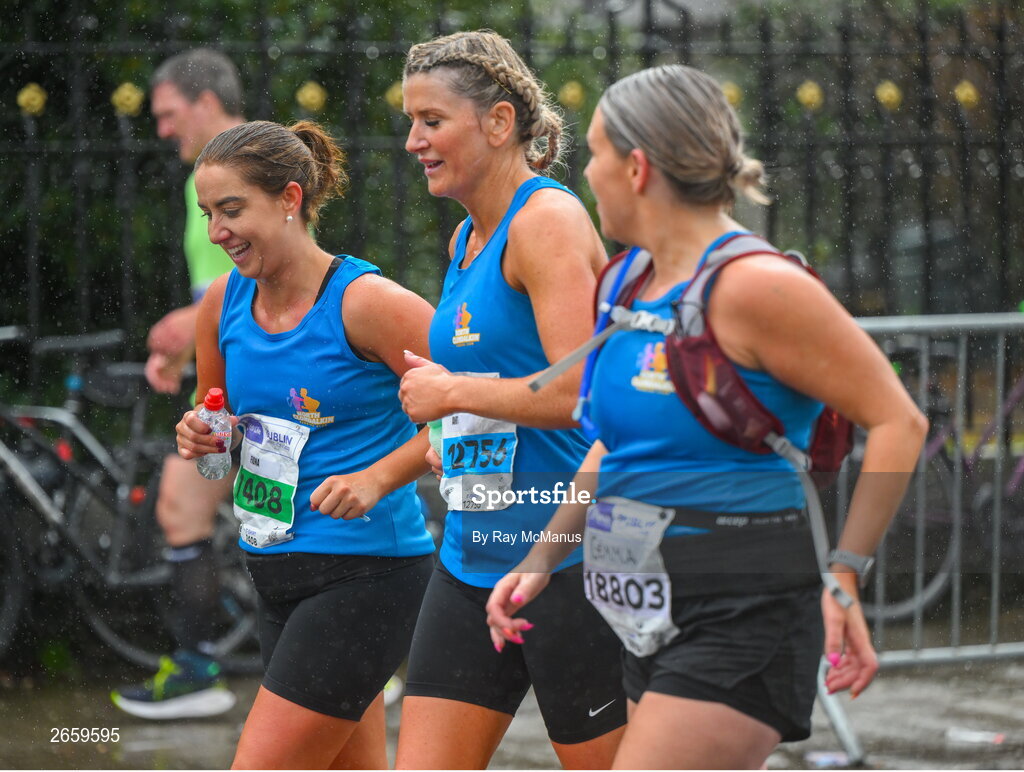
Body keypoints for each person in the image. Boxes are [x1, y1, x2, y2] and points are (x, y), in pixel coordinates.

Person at [484, 64, 929, 769]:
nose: (585, 173)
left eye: (595, 153)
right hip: (647, 608)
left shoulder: (757, 285)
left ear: (636, 167)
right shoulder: (628, 281)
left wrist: (845, 574)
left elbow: (901, 420)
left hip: (743, 607)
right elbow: (611, 448)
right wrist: (539, 561)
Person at [395, 30, 626, 769]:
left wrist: (450, 390)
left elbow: (580, 395)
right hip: (470, 561)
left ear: (498, 123)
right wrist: (451, 430)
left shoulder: (546, 222)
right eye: (411, 121)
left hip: (565, 562)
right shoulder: (467, 237)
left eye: (432, 121)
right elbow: (503, 387)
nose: (412, 140)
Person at [175, 119, 436, 768]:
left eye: (233, 210)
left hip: (367, 573)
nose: (217, 233)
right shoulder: (221, 307)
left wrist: (378, 477)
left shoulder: (367, 303)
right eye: (208, 214)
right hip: (272, 571)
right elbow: (219, 443)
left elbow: (475, 411)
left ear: (290, 199)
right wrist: (205, 438)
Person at [112, 48, 244, 719]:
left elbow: (271, 275)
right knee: (191, 510)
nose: (162, 129)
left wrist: (186, 323)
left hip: (265, 390)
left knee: (195, 507)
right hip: (234, 384)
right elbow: (225, 299)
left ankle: (202, 669)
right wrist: (188, 346)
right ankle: (201, 669)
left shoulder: (249, 166)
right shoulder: (211, 173)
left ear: (204, 102)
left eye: (168, 114)